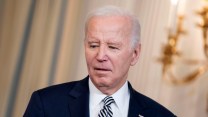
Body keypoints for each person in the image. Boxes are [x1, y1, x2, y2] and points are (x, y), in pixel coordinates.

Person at [24, 6, 176, 117]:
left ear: (135, 54)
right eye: (93, 45)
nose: (101, 55)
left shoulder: (160, 115)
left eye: (112, 47)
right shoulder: (46, 104)